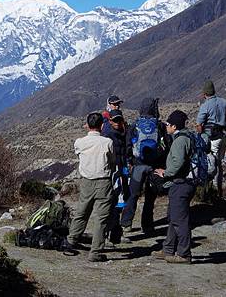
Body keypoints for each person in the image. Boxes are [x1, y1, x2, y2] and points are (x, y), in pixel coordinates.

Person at [67, 112, 115, 262]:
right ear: (102, 125)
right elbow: (112, 160)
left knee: (82, 212)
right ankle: (95, 251)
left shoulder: (79, 142)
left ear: (87, 125)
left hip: (87, 181)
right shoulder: (108, 142)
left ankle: (70, 242)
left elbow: (78, 155)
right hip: (104, 182)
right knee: (101, 218)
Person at [120, 97, 169, 235]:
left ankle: (126, 224)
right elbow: (166, 145)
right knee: (150, 197)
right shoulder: (159, 125)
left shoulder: (135, 125)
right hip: (154, 166)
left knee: (133, 195)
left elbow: (128, 145)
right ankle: (147, 225)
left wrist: (130, 161)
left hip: (138, 165)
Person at [153, 110, 195, 264]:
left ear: (174, 126)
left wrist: (166, 173)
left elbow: (177, 162)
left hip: (181, 183)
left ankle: (184, 254)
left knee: (180, 220)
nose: (167, 127)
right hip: (185, 183)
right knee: (173, 217)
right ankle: (168, 249)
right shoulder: (187, 137)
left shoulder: (179, 141)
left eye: (168, 124)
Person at [196, 80, 226, 198]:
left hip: (212, 138)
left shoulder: (205, 106)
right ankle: (218, 190)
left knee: (211, 163)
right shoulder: (223, 102)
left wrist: (200, 134)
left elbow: (199, 124)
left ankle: (211, 192)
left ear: (204, 94)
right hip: (223, 136)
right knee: (219, 163)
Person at [101, 109, 129, 245]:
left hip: (122, 171)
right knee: (111, 203)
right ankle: (106, 234)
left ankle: (115, 233)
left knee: (119, 203)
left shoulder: (123, 133)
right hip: (113, 172)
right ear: (110, 121)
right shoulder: (108, 135)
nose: (118, 123)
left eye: (119, 120)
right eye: (115, 120)